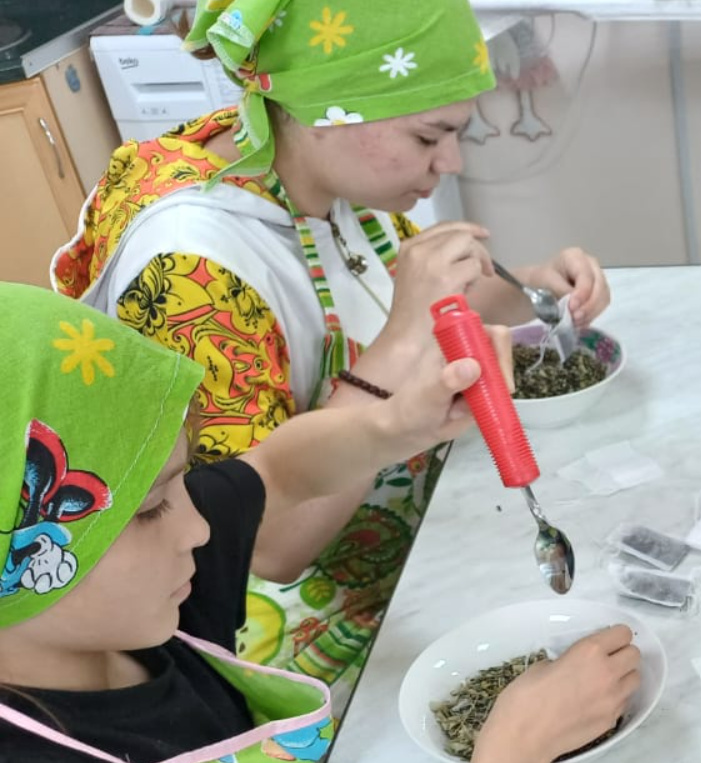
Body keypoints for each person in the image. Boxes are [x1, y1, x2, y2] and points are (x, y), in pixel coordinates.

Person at [0, 282, 640, 763]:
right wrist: (517, 748)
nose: (198, 527)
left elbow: (276, 472)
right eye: (150, 510)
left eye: (180, 484)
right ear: (28, 554)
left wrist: (396, 425)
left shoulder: (110, 611)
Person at [51, 0, 611, 699]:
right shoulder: (192, 272)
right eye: (429, 135)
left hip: (389, 534)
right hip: (280, 632)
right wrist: (400, 343)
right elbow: (269, 548)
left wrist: (531, 287)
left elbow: (412, 304)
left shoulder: (323, 173)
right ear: (324, 110)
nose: (451, 161)